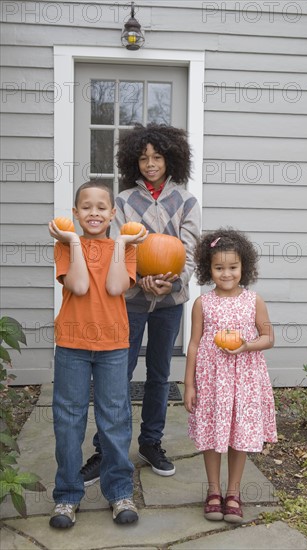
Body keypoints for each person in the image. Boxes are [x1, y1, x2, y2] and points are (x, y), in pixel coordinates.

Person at [81, 124, 201, 483]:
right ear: (134, 162)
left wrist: (173, 282)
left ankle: (151, 442)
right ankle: (106, 449)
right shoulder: (122, 202)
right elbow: (117, 247)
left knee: (160, 375)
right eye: (144, 157)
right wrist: (137, 279)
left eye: (157, 157)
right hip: (130, 301)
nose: (150, 163)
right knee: (117, 375)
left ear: (171, 159)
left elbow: (190, 251)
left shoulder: (186, 201)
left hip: (170, 302)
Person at [48, 181, 146, 529]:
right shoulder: (65, 245)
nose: (94, 213)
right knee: (68, 420)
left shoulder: (126, 246)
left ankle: (119, 492)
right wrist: (73, 241)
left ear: (112, 214)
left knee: (115, 419)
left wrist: (120, 244)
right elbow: (78, 286)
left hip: (114, 345)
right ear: (76, 213)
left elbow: (116, 287)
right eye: (86, 207)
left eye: (101, 207)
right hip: (73, 344)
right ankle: (67, 495)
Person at [184, 228, 277, 523]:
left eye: (233, 267)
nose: (226, 274)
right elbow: (194, 344)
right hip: (212, 381)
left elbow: (269, 337)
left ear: (244, 268)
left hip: (245, 380)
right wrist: (189, 384)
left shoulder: (254, 301)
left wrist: (246, 345)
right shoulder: (203, 303)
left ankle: (234, 492)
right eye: (219, 267)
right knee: (212, 433)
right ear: (208, 269)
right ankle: (213, 490)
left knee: (240, 434)